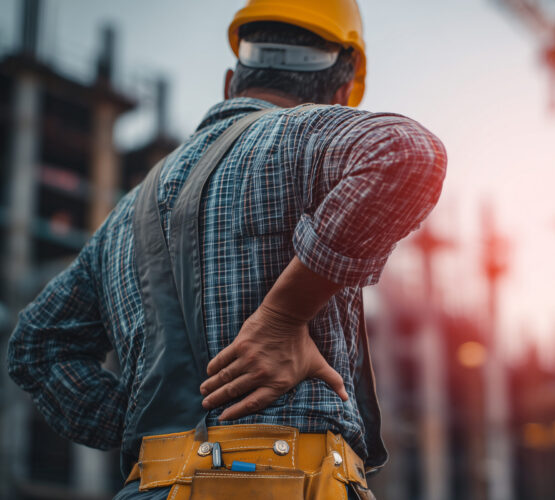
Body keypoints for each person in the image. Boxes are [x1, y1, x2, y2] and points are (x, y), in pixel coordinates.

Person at [7, 1, 447, 498]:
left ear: (229, 83)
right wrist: (283, 318)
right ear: (342, 94)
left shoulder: (122, 218)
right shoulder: (304, 133)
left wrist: (139, 428)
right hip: (291, 483)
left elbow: (36, 346)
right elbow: (409, 151)